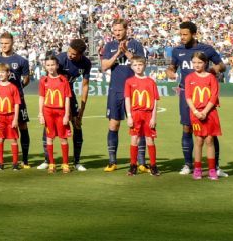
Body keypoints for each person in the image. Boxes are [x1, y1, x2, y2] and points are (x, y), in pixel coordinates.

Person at [168, 21, 227, 177]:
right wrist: (170, 71)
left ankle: (216, 166)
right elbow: (172, 67)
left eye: (185, 34)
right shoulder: (177, 50)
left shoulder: (206, 49)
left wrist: (214, 69)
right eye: (180, 34)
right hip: (186, 94)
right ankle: (188, 164)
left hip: (205, 96)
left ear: (194, 34)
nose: (182, 37)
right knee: (187, 127)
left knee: (210, 133)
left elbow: (222, 65)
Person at [100, 18, 146, 172]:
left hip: (135, 91)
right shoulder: (110, 46)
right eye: (115, 30)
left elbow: (140, 64)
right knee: (114, 124)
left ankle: (141, 162)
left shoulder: (135, 45)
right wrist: (118, 53)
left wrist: (126, 51)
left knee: (138, 126)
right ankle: (112, 161)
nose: (117, 33)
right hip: (116, 90)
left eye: (120, 30)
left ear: (126, 30)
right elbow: (104, 66)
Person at [0, 31, 32, 168]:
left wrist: (18, 88)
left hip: (17, 100)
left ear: (12, 43)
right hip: (1, 101)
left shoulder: (21, 60)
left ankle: (24, 160)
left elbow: (26, 78)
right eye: (1, 43)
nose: (4, 46)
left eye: (6, 43)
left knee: (22, 126)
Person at [55, 38, 93, 171]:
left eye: (73, 54)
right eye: (69, 51)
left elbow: (85, 86)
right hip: (55, 95)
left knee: (77, 125)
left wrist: (81, 111)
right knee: (51, 125)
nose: (69, 55)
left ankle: (77, 161)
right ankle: (48, 160)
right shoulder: (59, 59)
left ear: (80, 54)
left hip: (70, 94)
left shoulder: (86, 63)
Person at [184, 52, 222, 180]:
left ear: (205, 63)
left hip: (210, 113)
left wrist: (205, 111)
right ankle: (198, 169)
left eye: (199, 62)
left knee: (210, 140)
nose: (196, 65)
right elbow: (188, 97)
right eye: (194, 62)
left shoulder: (211, 77)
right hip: (195, 113)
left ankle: (212, 170)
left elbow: (214, 96)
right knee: (199, 140)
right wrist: (195, 111)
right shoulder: (189, 78)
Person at [122, 54, 160, 176]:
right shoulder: (129, 82)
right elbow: (127, 99)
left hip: (148, 114)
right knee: (135, 139)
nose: (138, 67)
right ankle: (133, 165)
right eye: (135, 65)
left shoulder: (151, 82)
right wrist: (129, 116)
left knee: (150, 140)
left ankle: (153, 166)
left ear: (144, 66)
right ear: (131, 67)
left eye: (140, 65)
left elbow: (155, 100)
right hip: (135, 114)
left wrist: (154, 117)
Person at [39, 54, 72, 174]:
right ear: (45, 66)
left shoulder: (63, 80)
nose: (51, 67)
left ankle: (65, 163)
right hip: (48, 112)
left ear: (57, 65)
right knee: (49, 138)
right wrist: (41, 114)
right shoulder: (43, 80)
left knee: (63, 138)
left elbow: (67, 98)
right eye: (48, 65)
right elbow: (41, 98)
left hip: (61, 112)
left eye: (53, 64)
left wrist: (67, 114)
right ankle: (52, 164)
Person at [0, 63, 21, 170]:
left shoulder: (13, 88)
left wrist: (16, 119)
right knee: (0, 139)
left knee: (13, 140)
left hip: (11, 117)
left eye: (3, 72)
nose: (1, 74)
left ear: (8, 73)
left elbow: (17, 103)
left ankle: (15, 164)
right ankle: (0, 163)